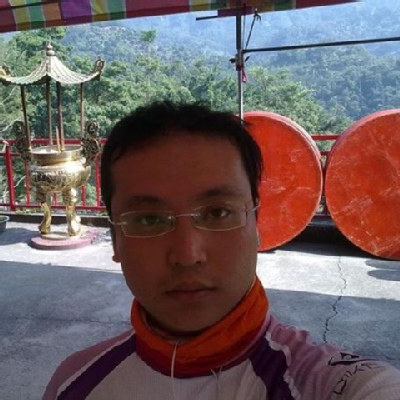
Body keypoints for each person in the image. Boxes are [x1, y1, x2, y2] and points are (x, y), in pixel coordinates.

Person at [43, 101, 400, 400]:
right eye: (149, 219)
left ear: (256, 223)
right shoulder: (74, 385)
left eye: (217, 213)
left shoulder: (335, 385)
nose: (187, 255)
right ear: (116, 240)